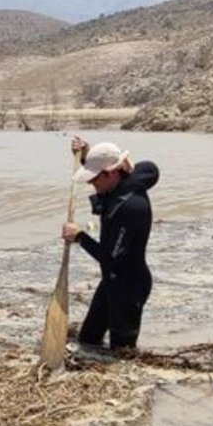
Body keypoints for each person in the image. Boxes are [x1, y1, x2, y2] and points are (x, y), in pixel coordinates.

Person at [61, 136, 159, 351]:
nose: (91, 183)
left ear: (112, 173)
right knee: (88, 340)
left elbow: (111, 258)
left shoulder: (131, 207)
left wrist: (80, 236)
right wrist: (86, 155)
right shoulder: (118, 184)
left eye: (94, 179)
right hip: (111, 281)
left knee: (122, 352)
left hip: (130, 286)